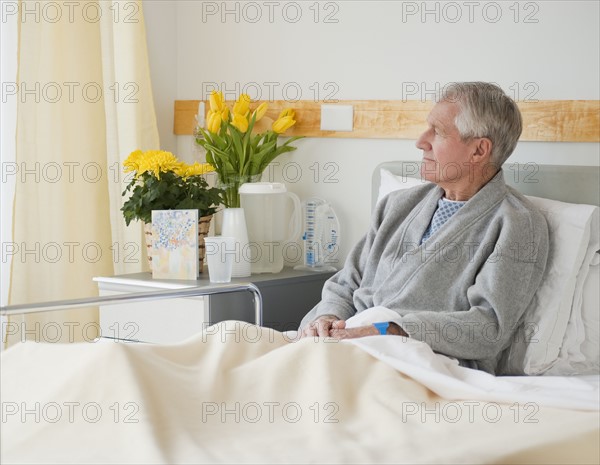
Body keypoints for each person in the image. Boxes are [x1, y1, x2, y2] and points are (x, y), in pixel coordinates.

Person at [298, 82, 549, 374]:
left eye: (438, 132)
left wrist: (390, 330)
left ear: (479, 150)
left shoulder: (516, 224)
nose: (421, 141)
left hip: (423, 360)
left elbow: (488, 326)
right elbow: (346, 283)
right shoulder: (396, 206)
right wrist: (327, 318)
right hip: (347, 343)